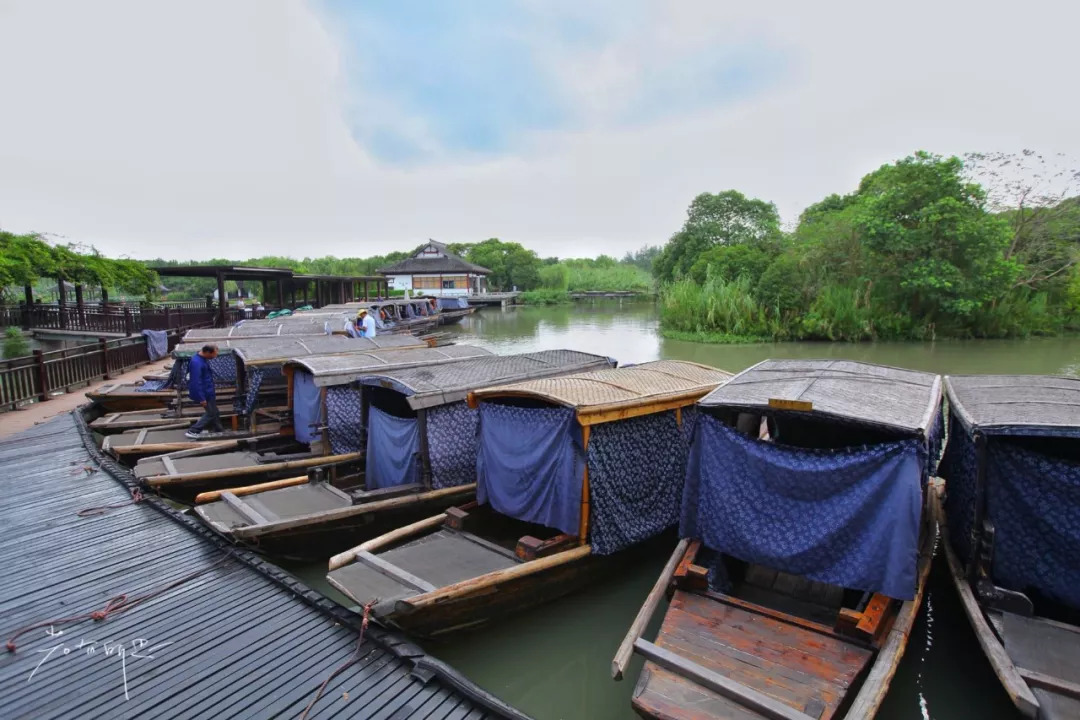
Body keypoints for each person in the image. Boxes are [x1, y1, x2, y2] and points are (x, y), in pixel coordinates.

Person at [185, 344, 224, 438]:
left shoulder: (202, 360)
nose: (215, 357)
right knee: (211, 413)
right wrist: (201, 398)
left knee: (214, 412)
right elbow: (195, 381)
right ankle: (193, 431)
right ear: (207, 352)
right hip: (204, 393)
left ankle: (219, 429)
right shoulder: (196, 362)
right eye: (214, 354)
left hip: (208, 391)